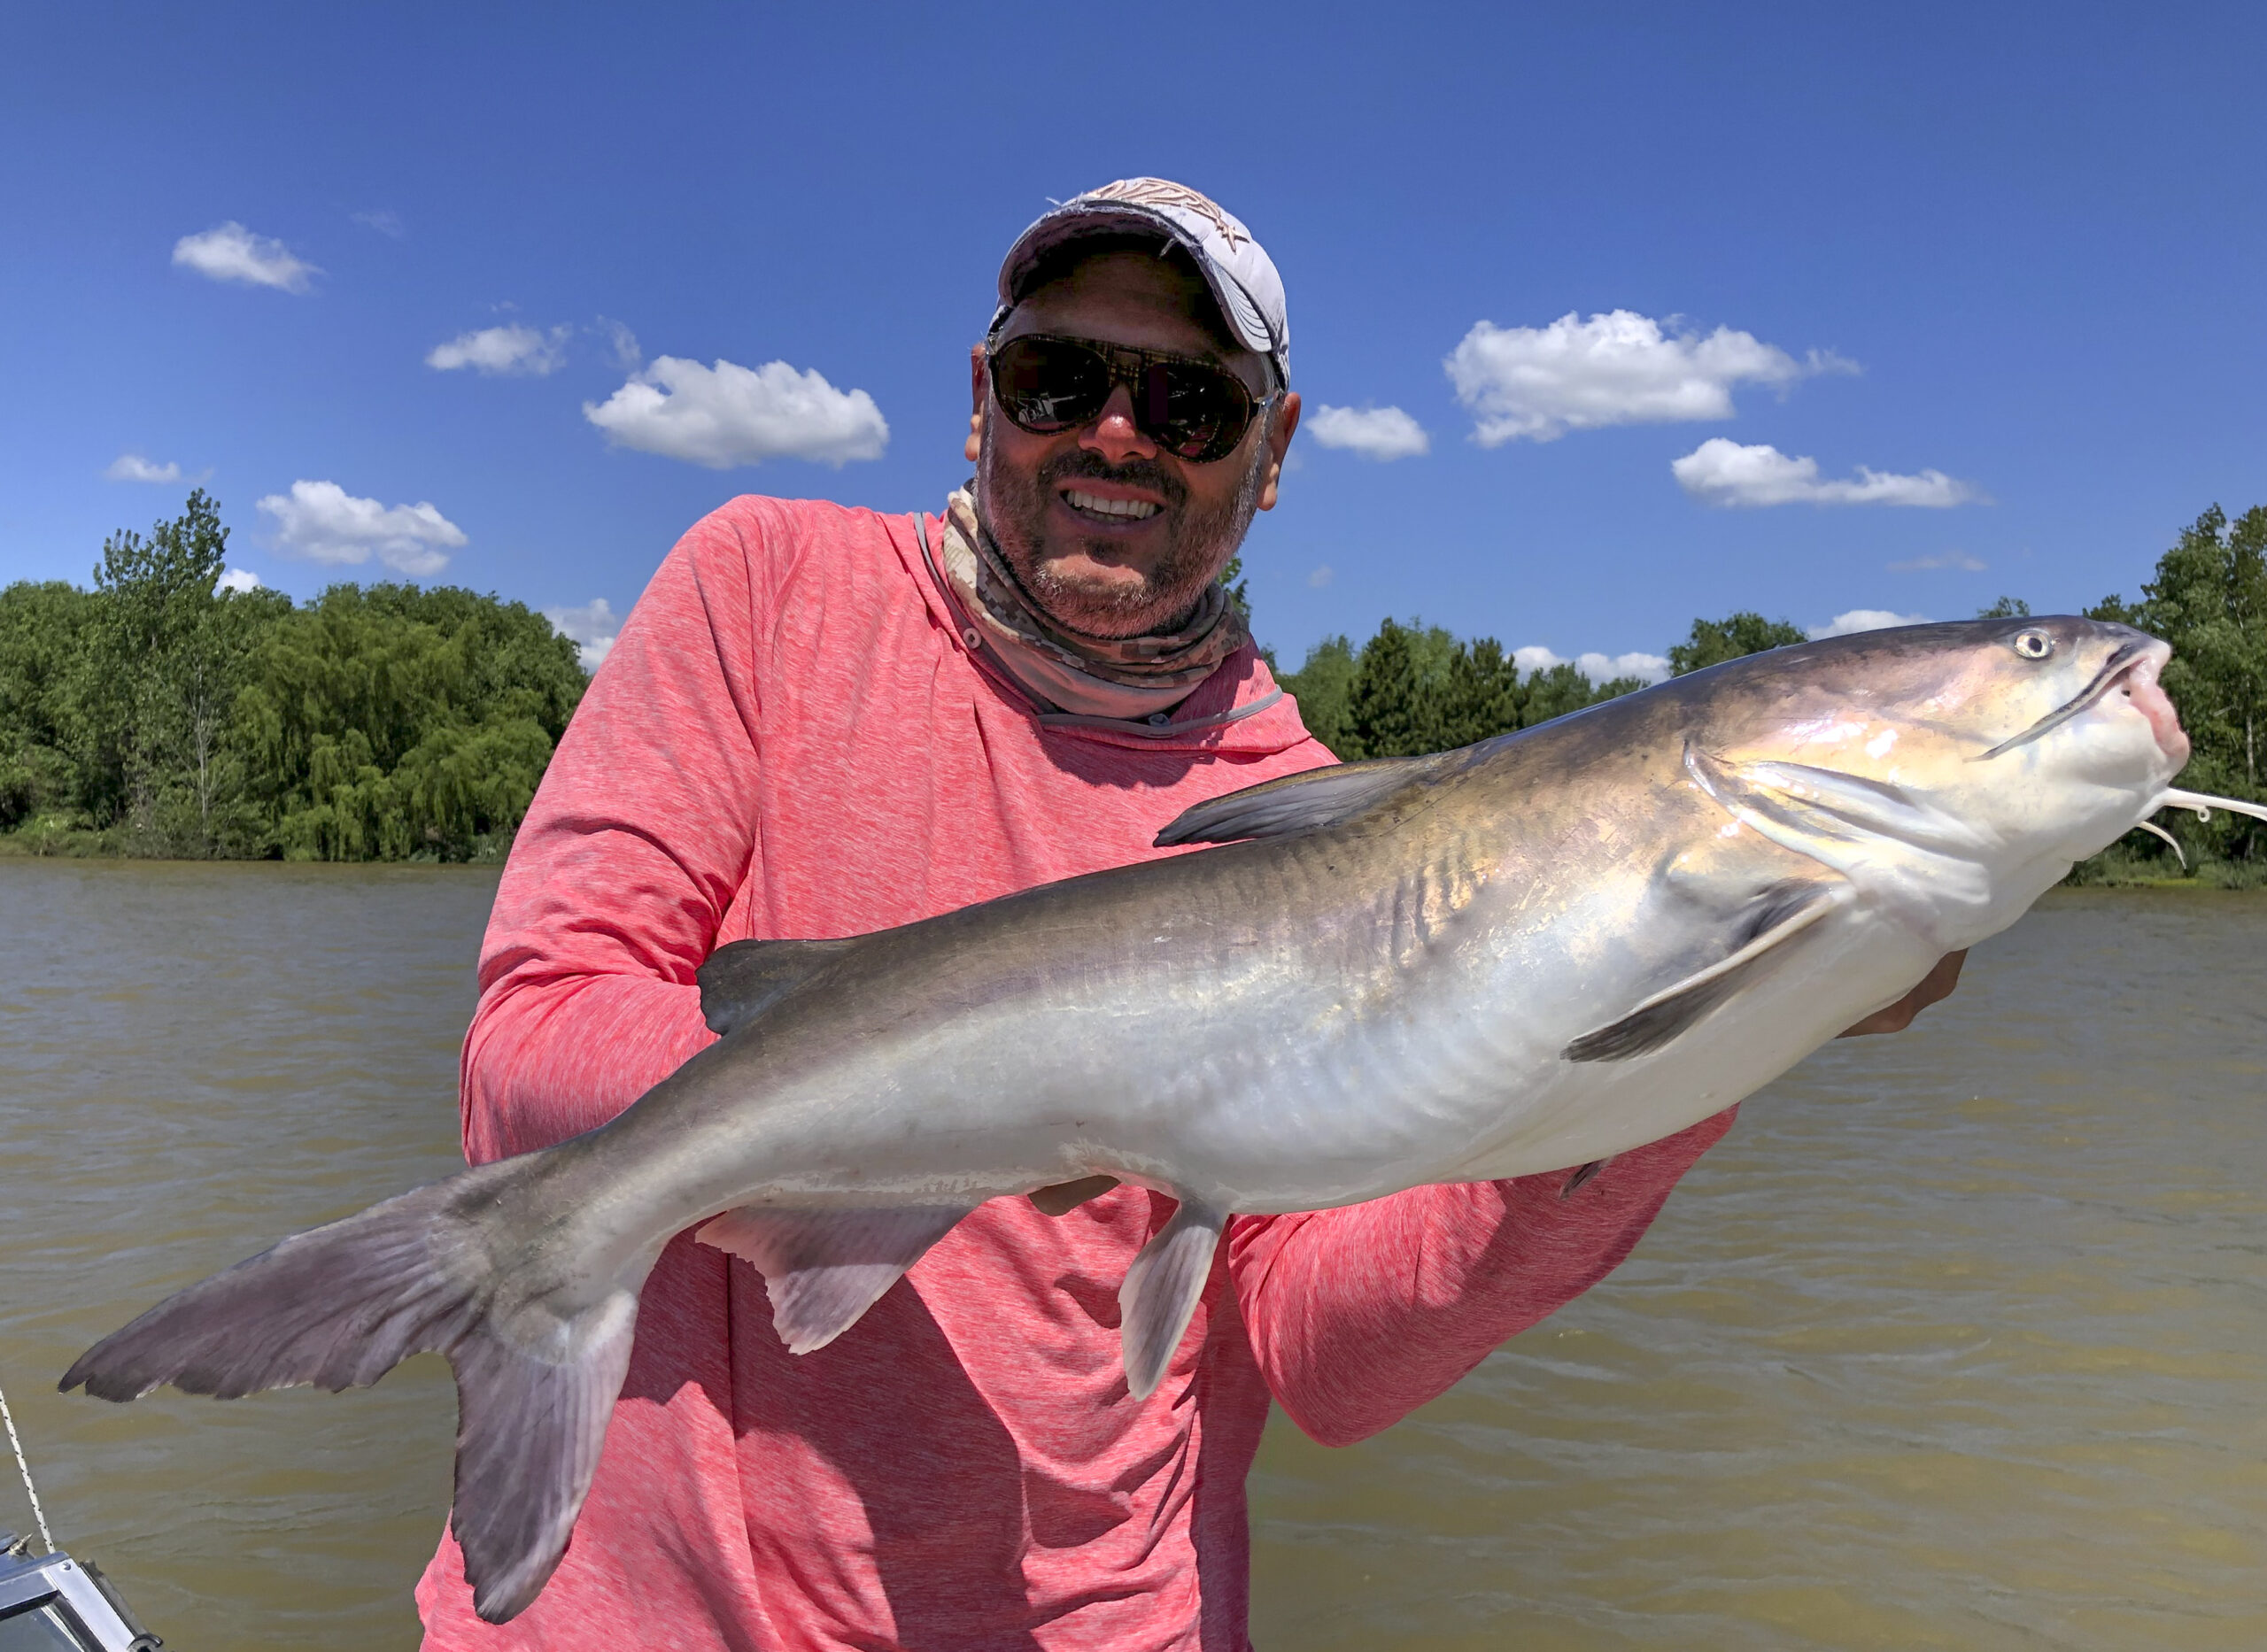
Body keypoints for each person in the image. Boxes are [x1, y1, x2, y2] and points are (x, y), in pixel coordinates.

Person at [414, 178, 1960, 1648]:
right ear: (978, 394)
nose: (1113, 434)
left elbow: (1326, 1358)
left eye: (1188, 404)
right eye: (1058, 377)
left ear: (1273, 449)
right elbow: (527, 1047)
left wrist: (1698, 1042)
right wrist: (965, 1089)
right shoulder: (764, 592)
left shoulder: (1333, 828)